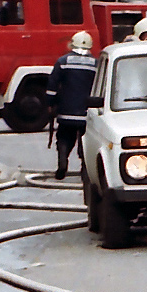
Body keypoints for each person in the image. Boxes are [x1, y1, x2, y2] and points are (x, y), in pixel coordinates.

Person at [46, 31, 98, 180]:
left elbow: (52, 85)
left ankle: (62, 163)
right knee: (85, 140)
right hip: (87, 112)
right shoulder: (96, 64)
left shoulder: (63, 62)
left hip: (66, 110)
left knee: (64, 137)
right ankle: (85, 169)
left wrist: (50, 104)